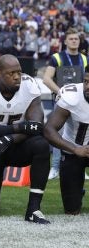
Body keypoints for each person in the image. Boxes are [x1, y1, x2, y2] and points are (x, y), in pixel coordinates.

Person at [0, 54, 51, 224]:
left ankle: (33, 209)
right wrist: (20, 127)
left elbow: (36, 126)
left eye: (19, 72)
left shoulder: (29, 85)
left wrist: (11, 138)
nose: (17, 77)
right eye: (11, 73)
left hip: (17, 145)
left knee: (41, 145)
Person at [43, 28, 88, 180]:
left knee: (83, 136)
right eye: (71, 39)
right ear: (65, 41)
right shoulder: (57, 57)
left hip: (82, 101)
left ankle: (82, 168)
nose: (74, 41)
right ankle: (55, 167)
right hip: (63, 102)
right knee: (60, 135)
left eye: (76, 38)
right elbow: (47, 78)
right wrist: (60, 92)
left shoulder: (84, 58)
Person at [44, 67, 89, 214]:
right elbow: (49, 130)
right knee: (71, 209)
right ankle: (76, 190)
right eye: (86, 82)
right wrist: (75, 149)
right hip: (73, 151)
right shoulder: (72, 96)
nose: (87, 87)